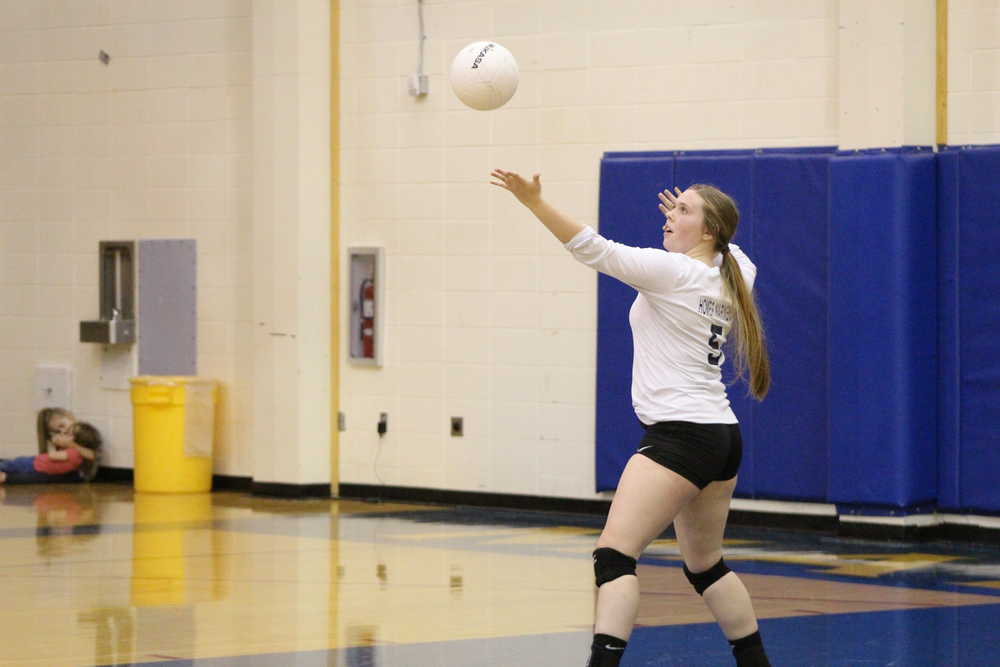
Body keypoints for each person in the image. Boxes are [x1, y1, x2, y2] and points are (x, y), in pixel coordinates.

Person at [490, 169, 772, 667]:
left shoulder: (673, 273)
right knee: (706, 566)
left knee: (614, 557)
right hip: (721, 437)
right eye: (673, 206)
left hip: (680, 436)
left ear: (708, 233)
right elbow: (731, 249)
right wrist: (687, 225)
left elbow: (591, 247)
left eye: (683, 211)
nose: (670, 215)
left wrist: (534, 201)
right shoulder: (735, 272)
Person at [1, 421, 102, 485]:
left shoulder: (73, 453)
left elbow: (52, 456)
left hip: (34, 465)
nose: (62, 433)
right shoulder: (76, 454)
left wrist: (52, 445)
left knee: (12, 465)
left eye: (67, 433)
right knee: (12, 465)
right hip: (36, 463)